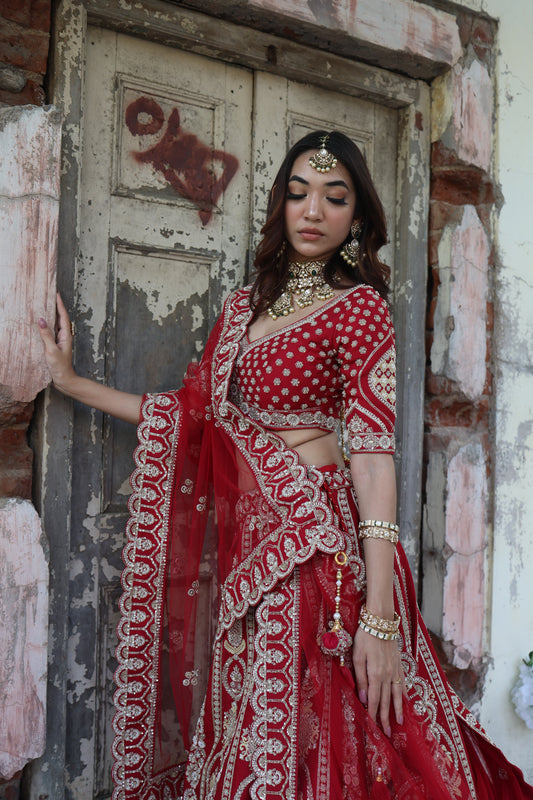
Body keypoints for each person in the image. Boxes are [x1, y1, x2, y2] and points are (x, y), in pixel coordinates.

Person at [39, 131, 533, 800]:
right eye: (298, 193)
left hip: (321, 546)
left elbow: (374, 461)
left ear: (355, 218)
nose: (311, 210)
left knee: (339, 727)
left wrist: (380, 619)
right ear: (280, 203)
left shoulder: (359, 310)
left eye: (333, 197)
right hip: (256, 546)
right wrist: (73, 383)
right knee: (261, 722)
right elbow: (196, 416)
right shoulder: (243, 308)